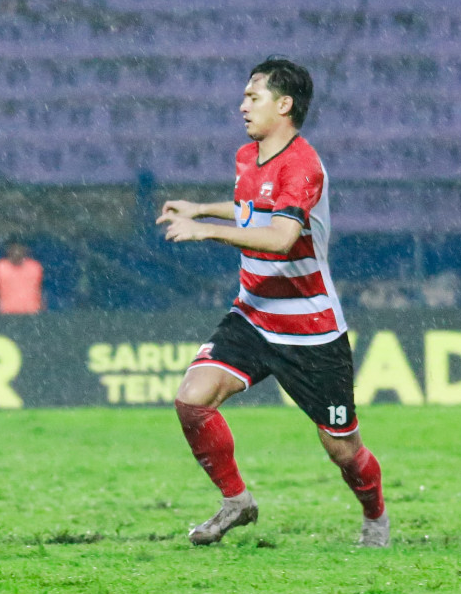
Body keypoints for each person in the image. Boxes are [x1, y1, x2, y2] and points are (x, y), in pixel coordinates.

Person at [156, 58, 389, 548]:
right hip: (254, 314)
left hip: (310, 330)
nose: (242, 106)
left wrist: (205, 231)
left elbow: (282, 237)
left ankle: (375, 516)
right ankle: (236, 501)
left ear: (283, 105)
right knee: (192, 400)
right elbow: (252, 210)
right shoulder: (248, 157)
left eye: (253, 97)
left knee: (343, 450)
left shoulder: (304, 166)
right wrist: (203, 206)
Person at [0, 240, 45, 315]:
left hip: (31, 314)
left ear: (26, 251)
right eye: (13, 249)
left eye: (19, 249)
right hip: (7, 314)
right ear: (8, 251)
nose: (17, 252)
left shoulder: (35, 268)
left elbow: (40, 293)